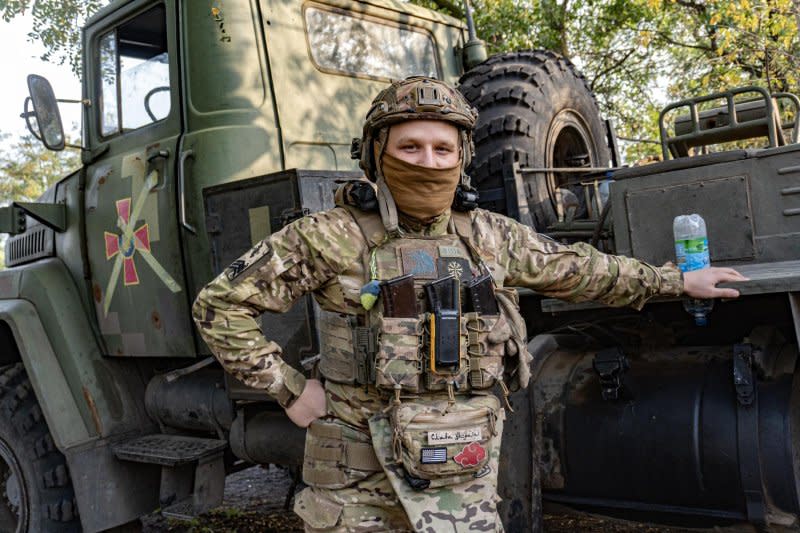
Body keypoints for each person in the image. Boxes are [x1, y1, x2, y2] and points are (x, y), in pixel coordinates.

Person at [192, 76, 746, 532]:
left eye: (442, 148)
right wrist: (288, 389)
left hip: (464, 475)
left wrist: (675, 282)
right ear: (376, 153)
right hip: (358, 481)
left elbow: (583, 271)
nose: (427, 162)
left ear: (464, 155)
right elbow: (220, 307)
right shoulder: (331, 236)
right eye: (409, 147)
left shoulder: (489, 235)